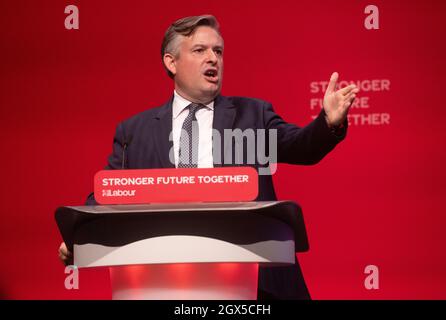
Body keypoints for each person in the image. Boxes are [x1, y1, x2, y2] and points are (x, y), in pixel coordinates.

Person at [59, 14, 359, 299]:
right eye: (200, 50)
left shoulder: (253, 114)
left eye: (218, 51)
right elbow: (109, 193)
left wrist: (328, 122)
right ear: (171, 62)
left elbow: (302, 147)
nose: (213, 58)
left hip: (252, 280)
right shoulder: (134, 131)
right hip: (164, 279)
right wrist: (78, 236)